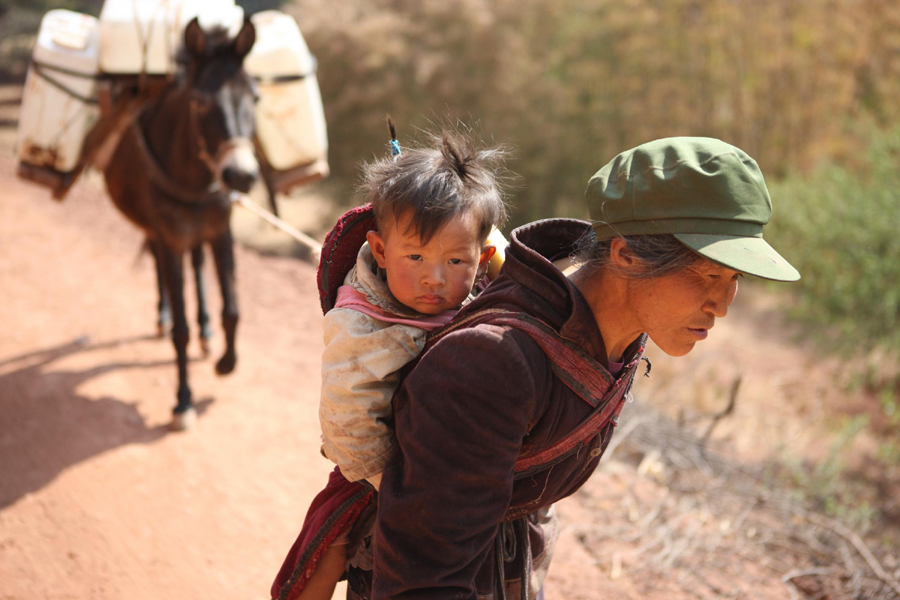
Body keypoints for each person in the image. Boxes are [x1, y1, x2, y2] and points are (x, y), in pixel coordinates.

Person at [338, 136, 800, 599]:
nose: (721, 305)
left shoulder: (613, 343)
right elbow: (424, 581)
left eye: (734, 277)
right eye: (706, 273)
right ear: (625, 256)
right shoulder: (491, 364)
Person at [273, 125, 509, 600]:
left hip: (463, 477)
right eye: (416, 256)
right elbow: (347, 427)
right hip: (380, 474)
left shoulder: (480, 289)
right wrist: (404, 494)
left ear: (482, 259)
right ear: (381, 250)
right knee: (326, 554)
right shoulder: (359, 327)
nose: (435, 279)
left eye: (456, 263)